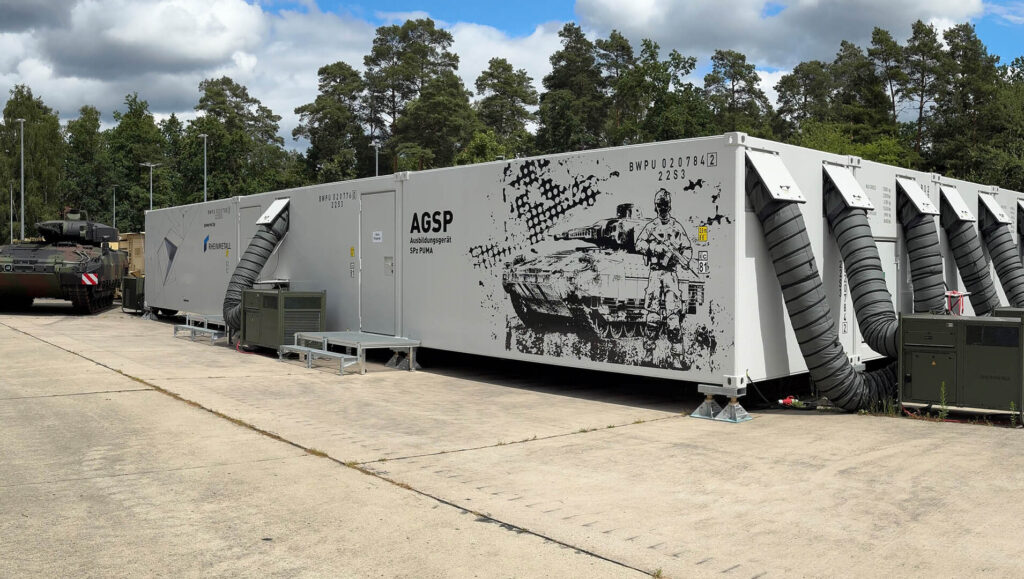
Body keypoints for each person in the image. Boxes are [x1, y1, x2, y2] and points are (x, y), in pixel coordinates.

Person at [635, 188, 692, 354]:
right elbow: (639, 244)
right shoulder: (651, 227)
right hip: (655, 274)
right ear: (656, 207)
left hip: (670, 275)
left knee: (673, 316)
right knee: (652, 316)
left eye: (665, 205)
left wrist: (684, 260)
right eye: (660, 205)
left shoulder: (677, 227)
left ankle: (676, 354)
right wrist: (655, 248)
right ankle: (648, 352)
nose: (662, 208)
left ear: (669, 206)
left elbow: (687, 248)